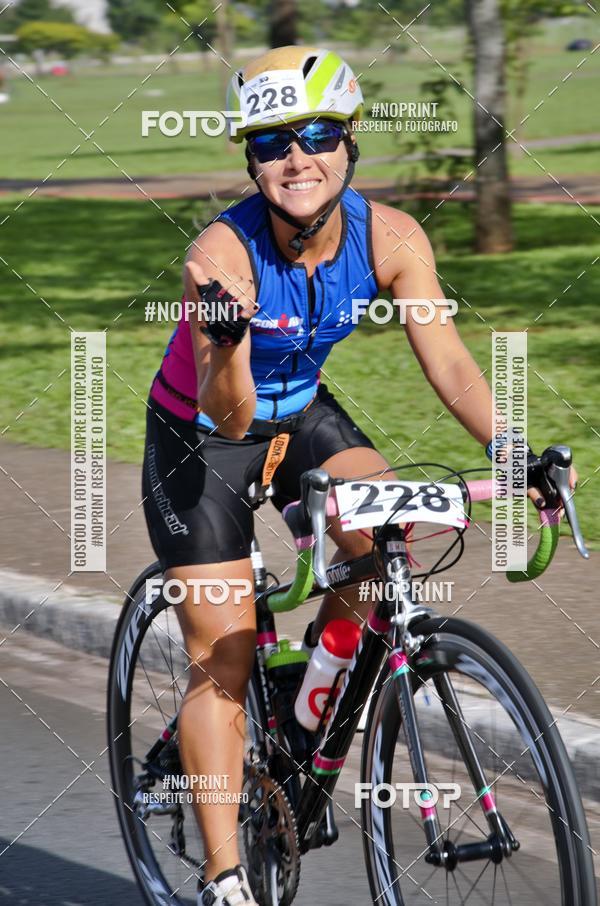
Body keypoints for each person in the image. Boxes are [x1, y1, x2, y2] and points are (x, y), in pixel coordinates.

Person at [142, 46, 576, 906]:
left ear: (348, 142)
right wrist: (225, 338)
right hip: (203, 438)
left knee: (383, 541)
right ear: (249, 159)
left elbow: (449, 364)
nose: (295, 158)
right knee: (220, 660)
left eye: (314, 135)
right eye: (271, 144)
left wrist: (515, 453)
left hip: (302, 411)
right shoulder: (219, 256)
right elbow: (230, 418)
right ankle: (226, 878)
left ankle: (306, 710)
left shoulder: (393, 238)